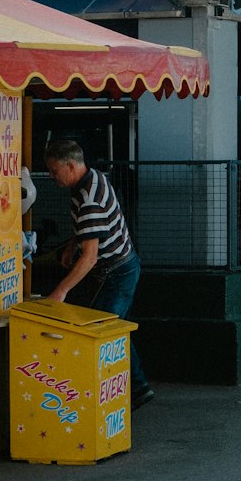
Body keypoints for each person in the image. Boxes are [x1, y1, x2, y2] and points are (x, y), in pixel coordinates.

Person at [44, 138, 154, 411]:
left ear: (71, 166)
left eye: (54, 171)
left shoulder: (89, 198)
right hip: (118, 266)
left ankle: (132, 389)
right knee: (113, 329)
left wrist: (61, 291)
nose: (51, 176)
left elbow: (90, 257)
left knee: (106, 332)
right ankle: (136, 388)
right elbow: (88, 229)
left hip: (117, 269)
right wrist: (73, 244)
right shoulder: (90, 179)